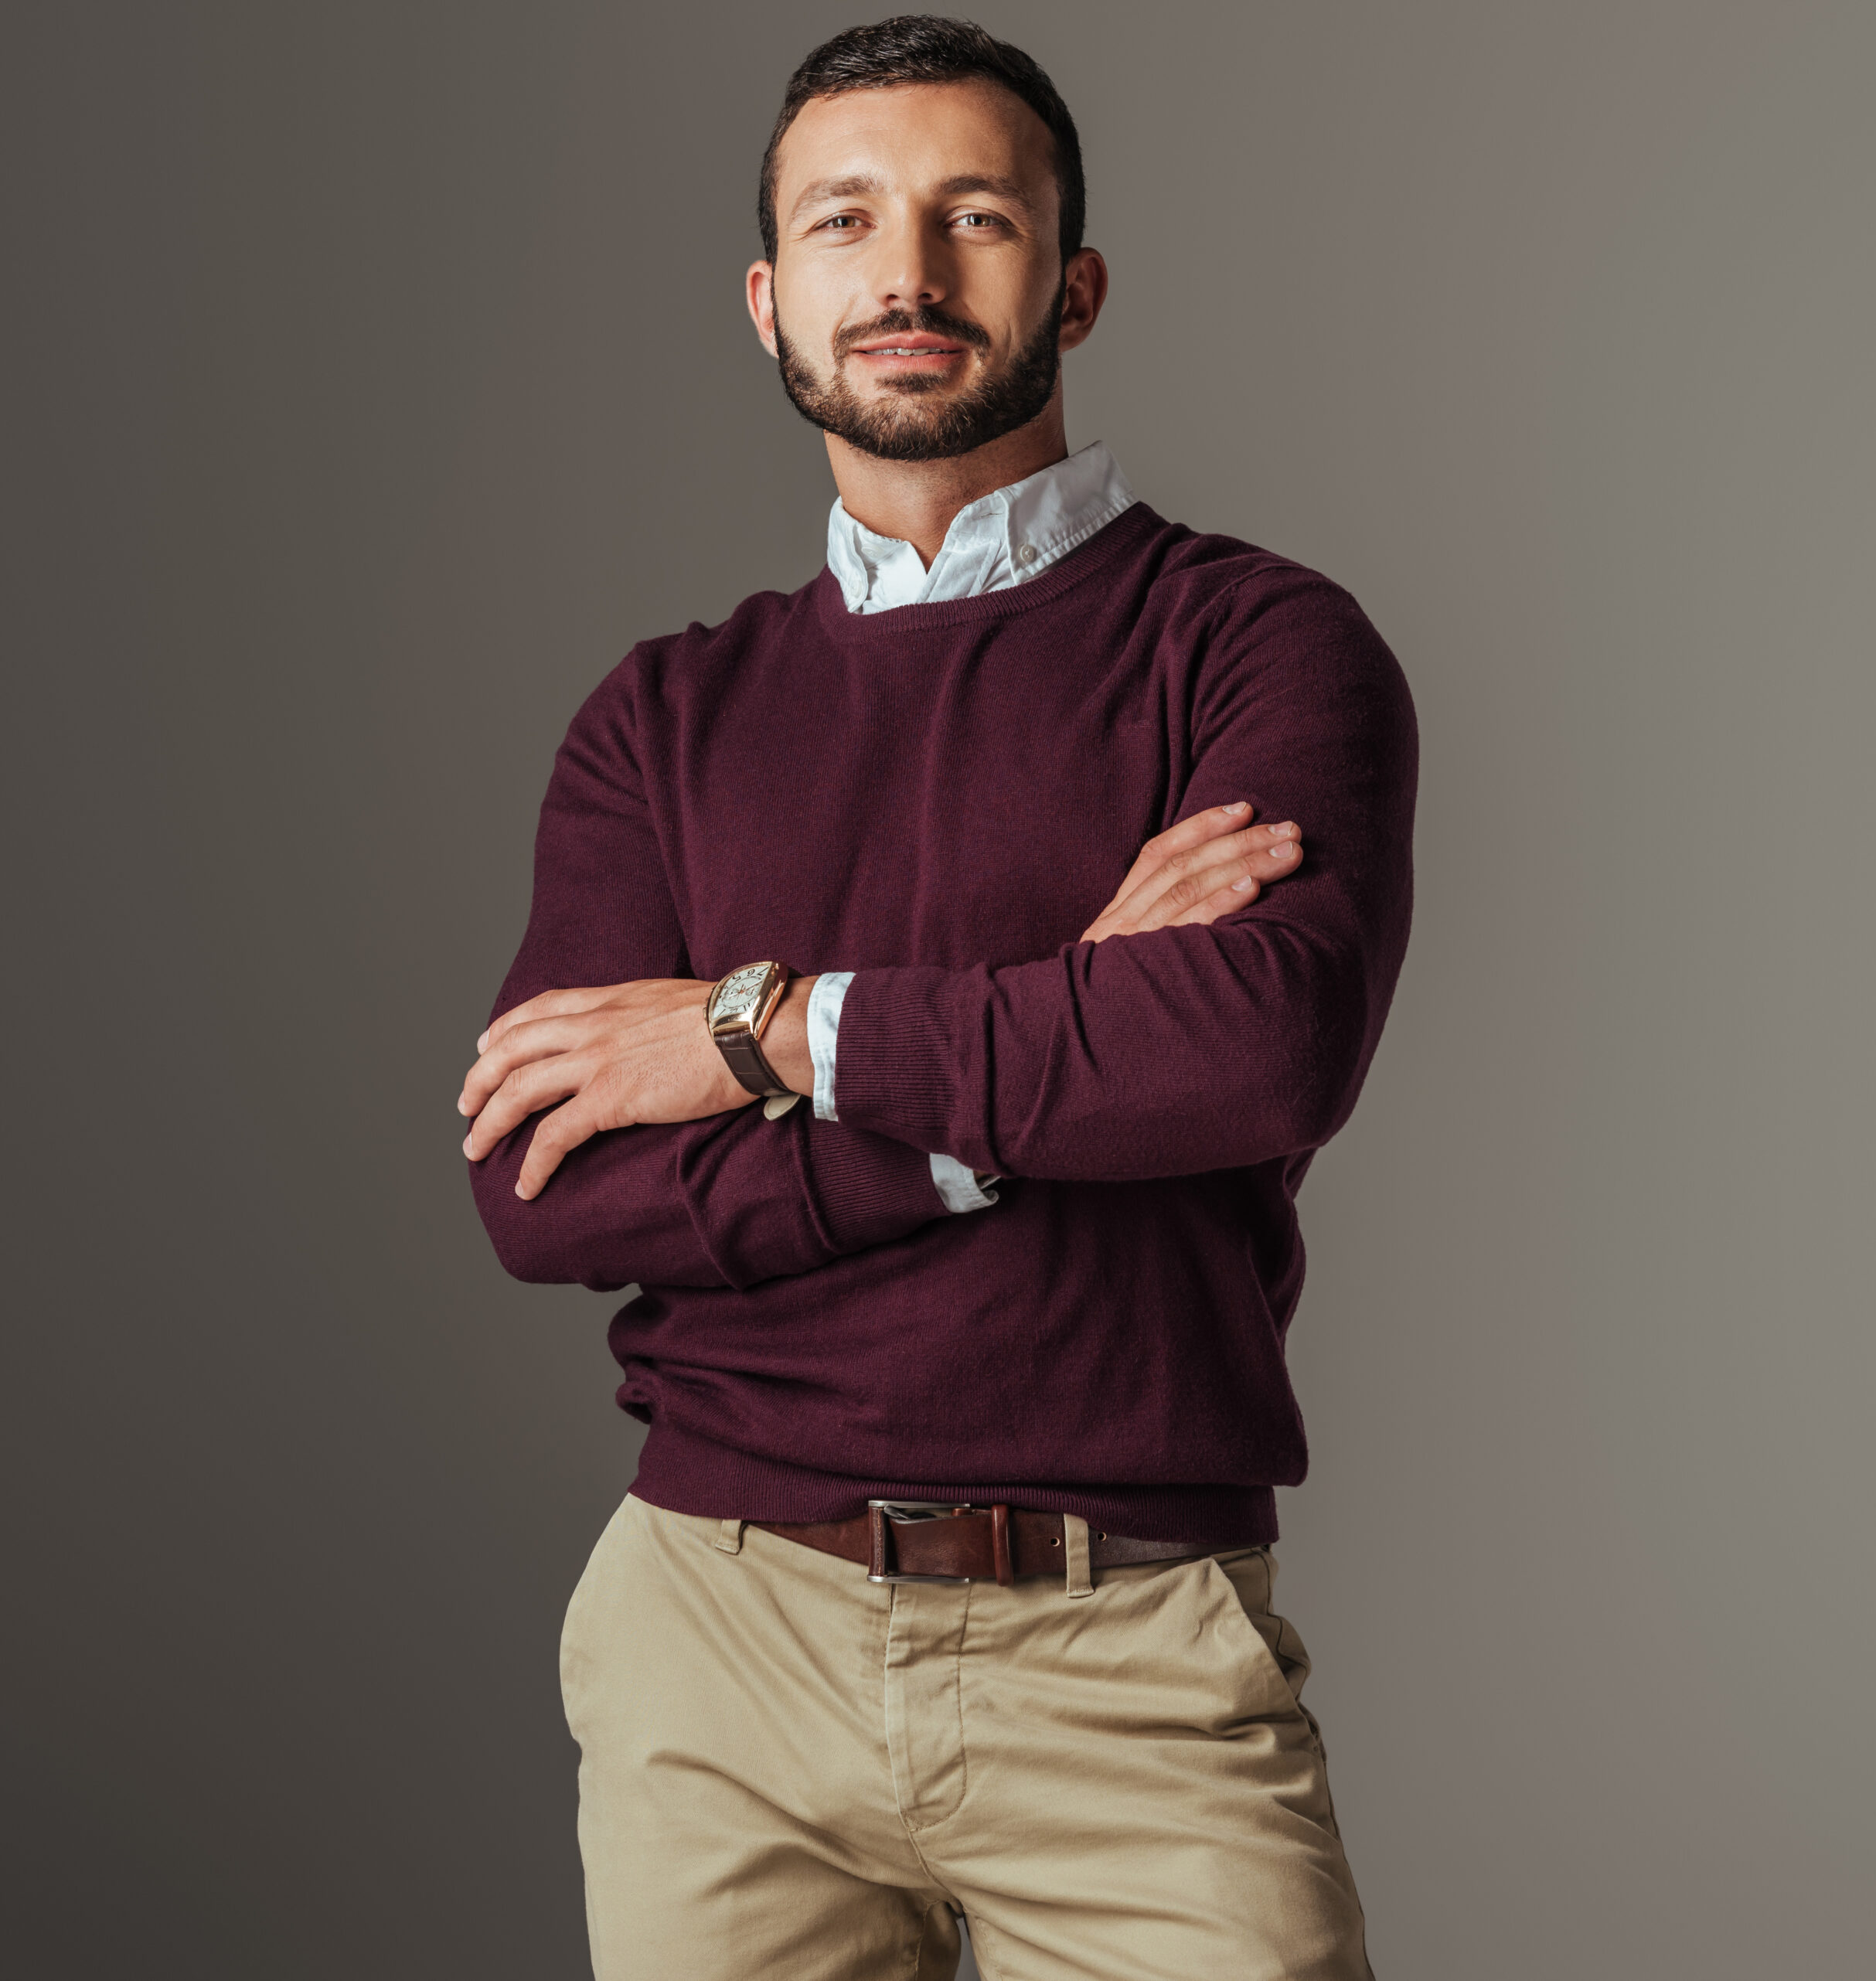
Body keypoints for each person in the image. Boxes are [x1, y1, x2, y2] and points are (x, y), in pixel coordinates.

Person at [458, 18, 1415, 1978]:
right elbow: (550, 1191)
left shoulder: (1256, 646)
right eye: (845, 223)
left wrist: (756, 1032)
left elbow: (1254, 1049)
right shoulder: (660, 719)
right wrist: (1044, 1050)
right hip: (717, 1637)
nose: (903, 275)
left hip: (1130, 1648)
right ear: (768, 298)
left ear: (1071, 282)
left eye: (971, 217)